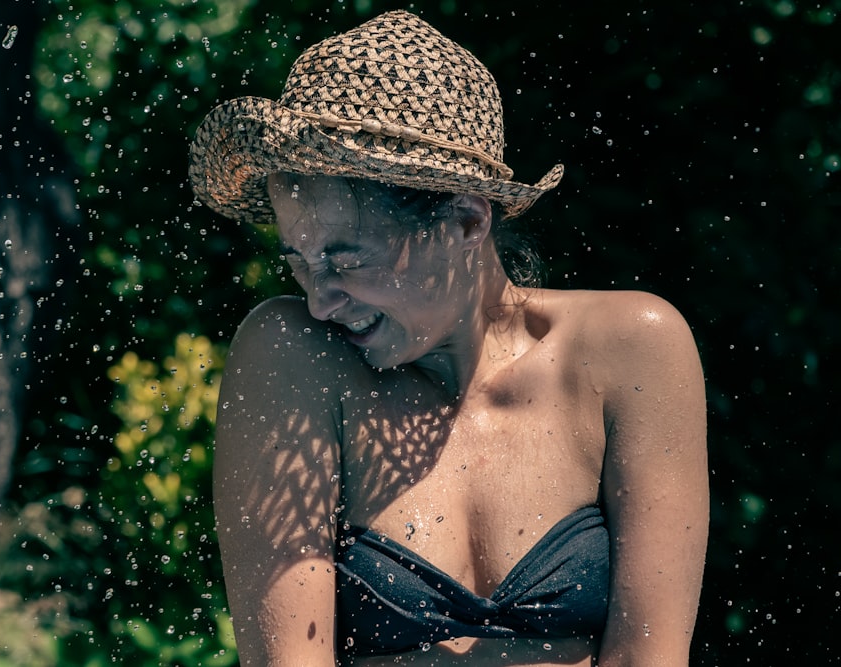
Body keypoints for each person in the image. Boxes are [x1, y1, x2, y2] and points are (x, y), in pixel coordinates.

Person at [189, 10, 708, 667]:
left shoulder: (632, 350)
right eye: (298, 260)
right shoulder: (292, 354)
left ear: (465, 220)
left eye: (346, 261)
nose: (320, 299)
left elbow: (650, 655)